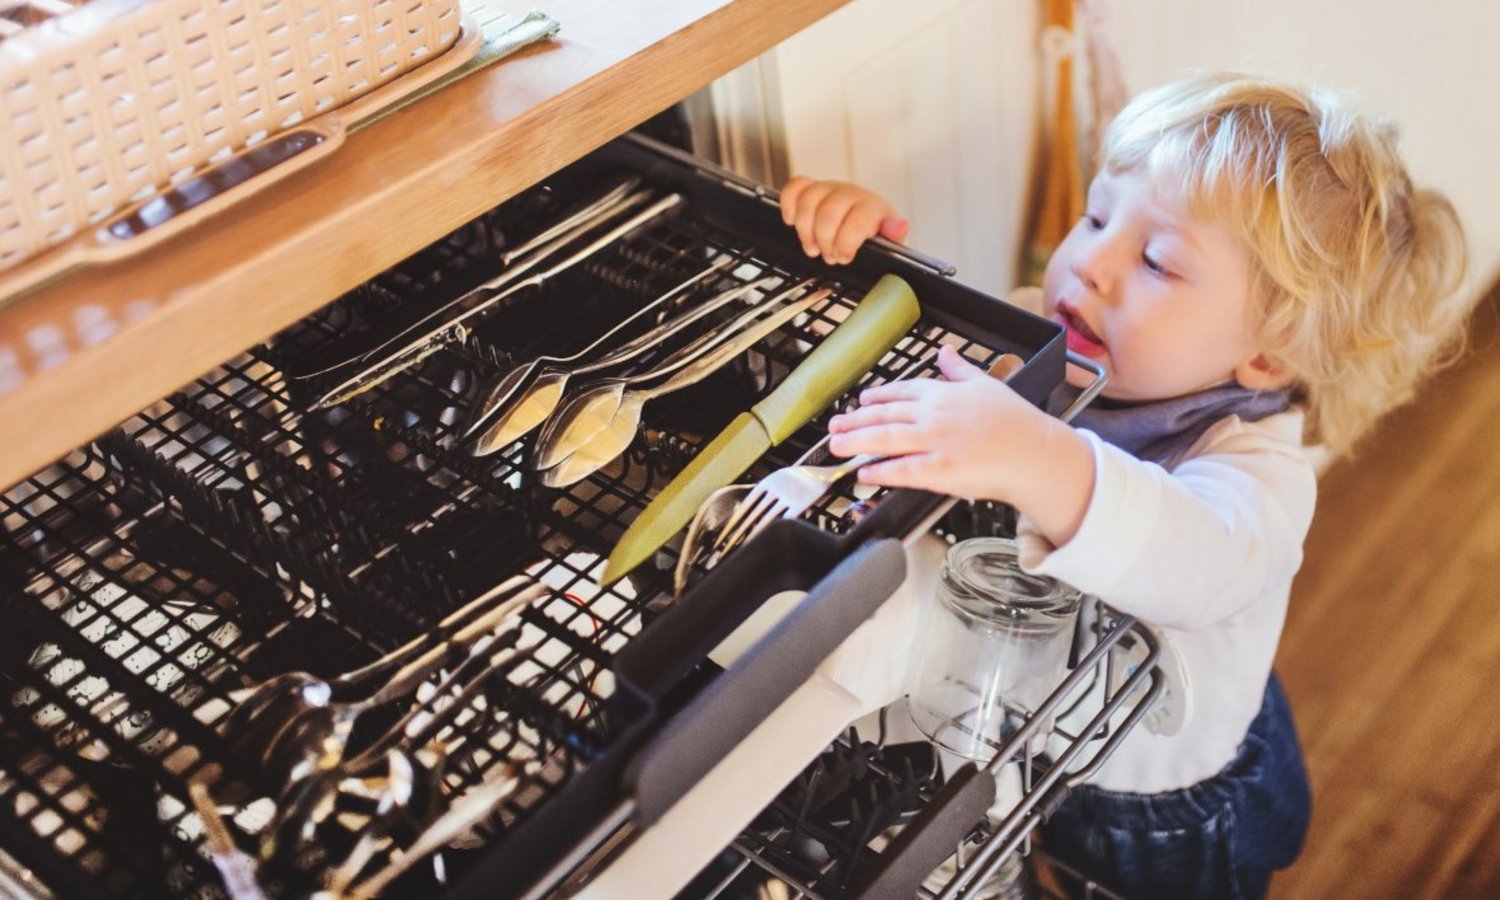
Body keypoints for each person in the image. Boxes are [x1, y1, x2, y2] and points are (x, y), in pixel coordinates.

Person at [778, 71, 1475, 898]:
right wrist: (863, 261)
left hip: (1164, 800)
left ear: (1268, 355)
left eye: (1157, 261)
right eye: (1097, 215)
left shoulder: (1258, 469)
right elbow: (933, 367)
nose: (1090, 264)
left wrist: (1038, 457)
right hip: (1037, 744)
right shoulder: (1047, 322)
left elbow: (1200, 560)